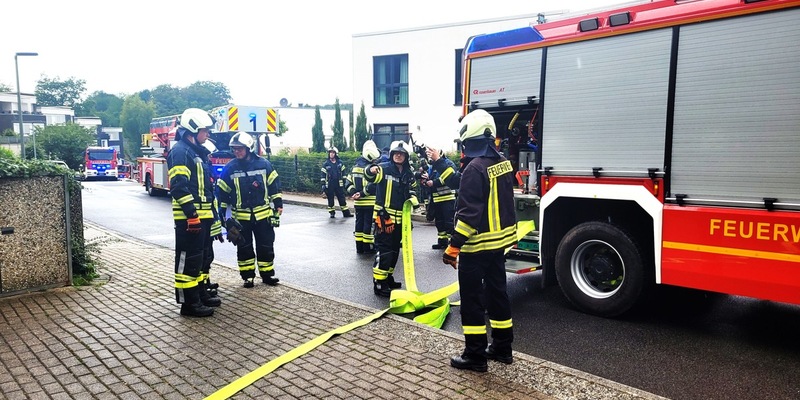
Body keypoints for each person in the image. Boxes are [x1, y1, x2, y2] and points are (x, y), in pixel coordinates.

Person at [443, 109, 517, 372]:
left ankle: (475, 356)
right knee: (498, 295)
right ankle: (502, 348)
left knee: (472, 301)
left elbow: (468, 215)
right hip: (498, 246)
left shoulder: (474, 169)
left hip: (475, 249)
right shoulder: (503, 163)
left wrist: (453, 247)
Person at [167, 108, 221, 317]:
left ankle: (199, 295)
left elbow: (205, 189)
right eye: (204, 130)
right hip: (190, 219)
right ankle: (188, 304)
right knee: (186, 261)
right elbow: (179, 187)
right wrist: (191, 215)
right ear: (193, 129)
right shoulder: (180, 152)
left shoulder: (195, 152)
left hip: (203, 217)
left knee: (199, 259)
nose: (207, 134)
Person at [215, 132, 284, 288]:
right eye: (234, 149)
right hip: (241, 218)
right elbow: (222, 192)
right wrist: (222, 214)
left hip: (263, 216)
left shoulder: (264, 164)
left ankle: (267, 275)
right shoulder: (230, 168)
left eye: (240, 149)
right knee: (244, 248)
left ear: (249, 148)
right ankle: (248, 277)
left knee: (265, 246)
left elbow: (274, 185)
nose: (236, 152)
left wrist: (278, 203)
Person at [364, 141, 419, 296]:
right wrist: (371, 169)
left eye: (401, 153)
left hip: (402, 221)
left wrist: (413, 201)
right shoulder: (384, 168)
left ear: (406, 156)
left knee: (395, 251)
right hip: (384, 219)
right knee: (384, 251)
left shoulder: (409, 173)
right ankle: (379, 283)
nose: (398, 155)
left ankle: (388, 278)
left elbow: (413, 190)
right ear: (391, 154)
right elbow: (369, 175)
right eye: (396, 153)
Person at [346, 140, 380, 254]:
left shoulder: (355, 167)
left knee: (358, 225)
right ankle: (368, 247)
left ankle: (359, 247)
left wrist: (354, 193)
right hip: (370, 202)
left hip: (358, 203)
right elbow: (373, 185)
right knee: (368, 225)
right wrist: (362, 193)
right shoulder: (372, 168)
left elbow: (347, 183)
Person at [421, 147, 458, 249]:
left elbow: (449, 177)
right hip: (436, 199)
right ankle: (442, 241)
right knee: (439, 222)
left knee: (449, 221)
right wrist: (426, 180)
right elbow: (431, 177)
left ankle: (452, 243)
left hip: (448, 198)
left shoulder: (448, 164)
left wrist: (434, 182)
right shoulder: (433, 166)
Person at [320, 146, 353, 218]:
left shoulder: (340, 163)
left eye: (333, 152)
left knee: (342, 198)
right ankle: (332, 213)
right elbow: (323, 175)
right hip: (330, 183)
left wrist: (345, 182)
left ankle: (346, 213)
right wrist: (323, 184)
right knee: (330, 198)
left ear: (336, 154)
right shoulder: (326, 164)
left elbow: (343, 173)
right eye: (330, 153)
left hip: (339, 183)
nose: (331, 154)